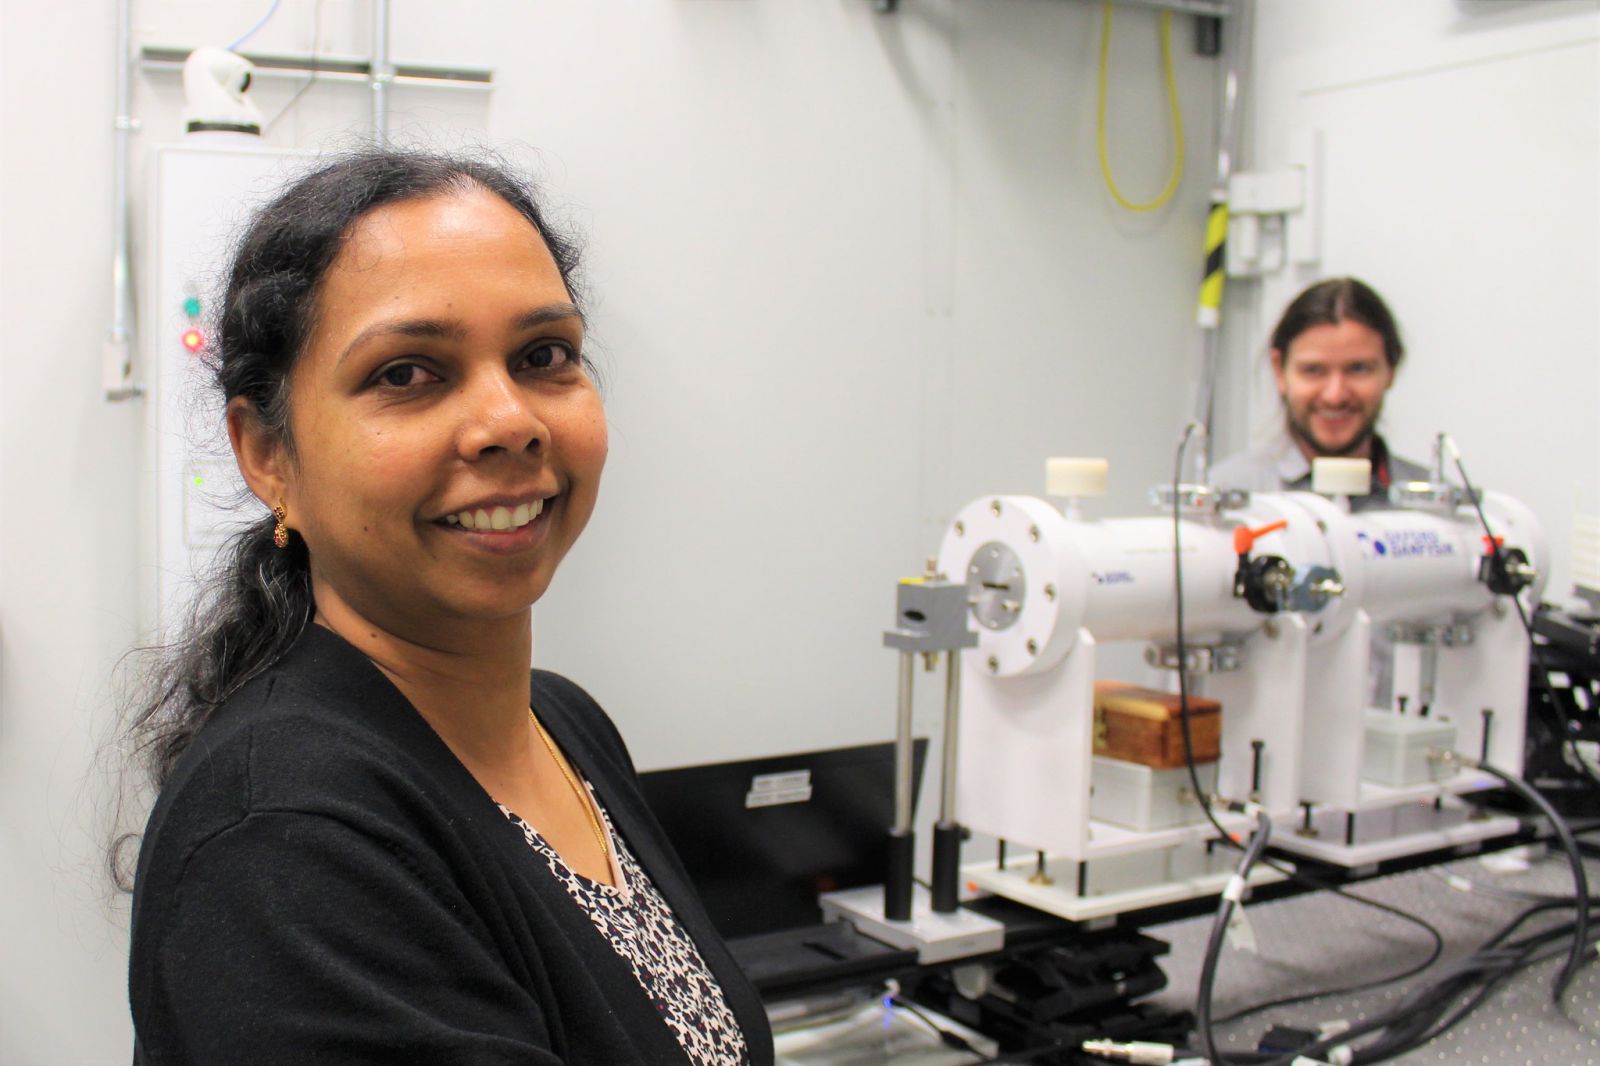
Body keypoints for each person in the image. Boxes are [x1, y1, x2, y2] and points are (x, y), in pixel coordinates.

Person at [124, 149, 774, 1064]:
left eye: (544, 355)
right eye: (407, 374)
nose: (511, 420)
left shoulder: (564, 724)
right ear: (268, 454)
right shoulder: (285, 838)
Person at [1209, 277, 1430, 509]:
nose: (1335, 396)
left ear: (1391, 370)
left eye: (1359, 369)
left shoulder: (1436, 511)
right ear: (1279, 371)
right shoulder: (1225, 497)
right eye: (1313, 370)